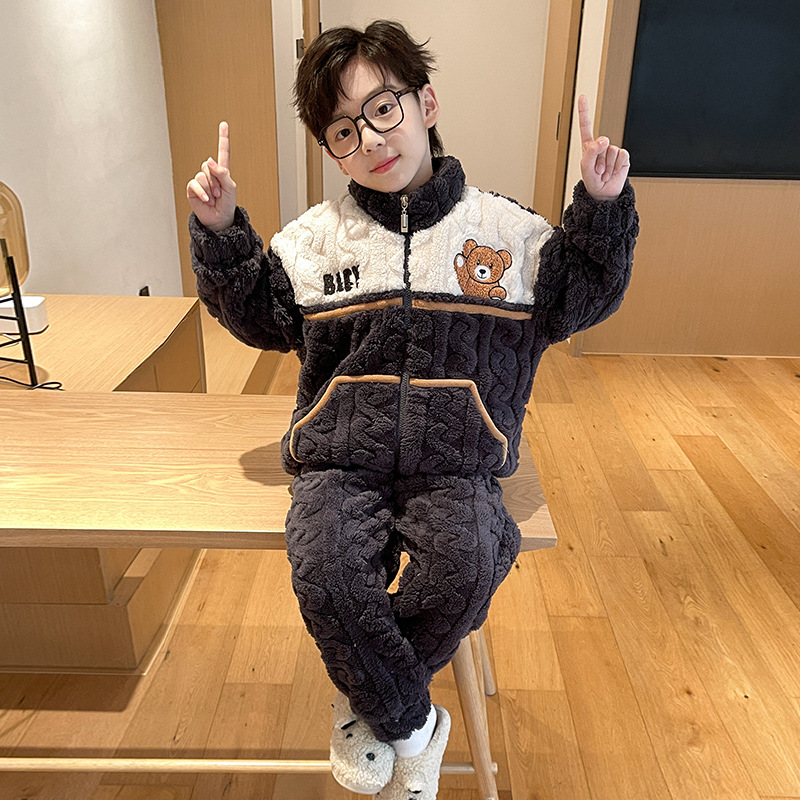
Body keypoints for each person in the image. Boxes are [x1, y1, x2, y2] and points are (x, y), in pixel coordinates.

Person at [187, 19, 638, 799]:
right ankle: (412, 727)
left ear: (425, 104)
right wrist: (222, 230)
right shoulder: (313, 243)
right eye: (343, 130)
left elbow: (581, 297)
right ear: (332, 150)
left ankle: (369, 703)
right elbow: (259, 315)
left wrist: (601, 206)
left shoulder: (509, 235)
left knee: (469, 564)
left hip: (459, 459)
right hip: (339, 459)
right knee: (327, 572)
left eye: (383, 108)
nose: (369, 138)